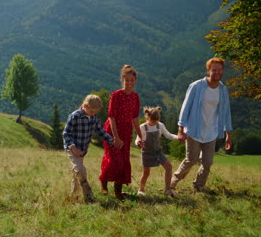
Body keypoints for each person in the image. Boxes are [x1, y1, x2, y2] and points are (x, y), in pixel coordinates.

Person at [170, 57, 233, 192]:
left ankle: (199, 185)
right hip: (194, 130)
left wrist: (228, 133)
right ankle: (172, 182)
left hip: (211, 132)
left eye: (219, 70)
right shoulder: (196, 86)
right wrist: (181, 129)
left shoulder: (223, 90)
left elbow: (226, 112)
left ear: (222, 71)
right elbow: (185, 108)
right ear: (208, 70)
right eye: (214, 70)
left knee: (207, 163)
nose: (216, 72)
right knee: (190, 160)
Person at [63, 94, 118, 203]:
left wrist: (111, 140)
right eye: (92, 111)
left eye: (95, 112)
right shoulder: (74, 116)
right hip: (72, 148)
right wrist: (73, 148)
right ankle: (89, 197)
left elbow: (100, 131)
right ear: (85, 106)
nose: (93, 114)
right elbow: (66, 134)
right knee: (80, 170)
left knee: (76, 173)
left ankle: (73, 196)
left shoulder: (93, 117)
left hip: (83, 150)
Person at [99, 65, 143, 200]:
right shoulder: (116, 95)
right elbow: (111, 117)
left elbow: (135, 118)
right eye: (126, 80)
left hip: (126, 131)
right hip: (112, 130)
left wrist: (141, 136)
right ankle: (103, 184)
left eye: (132, 80)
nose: (129, 83)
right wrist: (116, 138)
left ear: (135, 81)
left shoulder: (135, 97)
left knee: (123, 161)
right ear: (122, 80)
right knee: (113, 160)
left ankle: (118, 191)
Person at [135, 106, 178, 197]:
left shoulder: (160, 126)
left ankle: (167, 189)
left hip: (158, 152)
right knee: (146, 173)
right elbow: (138, 138)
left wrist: (179, 137)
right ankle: (141, 189)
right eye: (152, 120)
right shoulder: (143, 127)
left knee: (169, 167)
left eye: (157, 120)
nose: (155, 122)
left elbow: (168, 135)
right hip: (146, 153)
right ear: (147, 118)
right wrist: (138, 142)